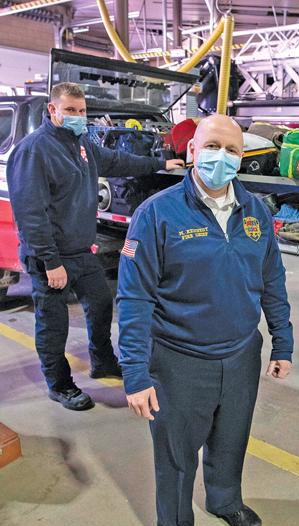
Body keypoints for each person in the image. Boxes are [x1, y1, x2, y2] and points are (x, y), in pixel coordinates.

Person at [117, 113, 293, 526]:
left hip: (240, 355)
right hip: (178, 360)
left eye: (233, 150)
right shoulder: (157, 213)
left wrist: (283, 339)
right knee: (176, 456)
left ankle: (224, 500)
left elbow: (272, 280)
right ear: (193, 150)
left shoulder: (255, 211)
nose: (223, 157)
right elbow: (134, 298)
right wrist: (135, 372)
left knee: (231, 438)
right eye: (213, 146)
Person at [7, 82, 183, 412]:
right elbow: (31, 213)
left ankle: (103, 362)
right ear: (53, 110)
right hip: (52, 257)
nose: (77, 116)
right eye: (70, 110)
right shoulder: (34, 151)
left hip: (80, 251)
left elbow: (116, 161)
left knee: (101, 302)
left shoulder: (81, 142)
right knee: (53, 323)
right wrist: (49, 260)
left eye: (82, 111)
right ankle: (59, 384)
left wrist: (159, 163)